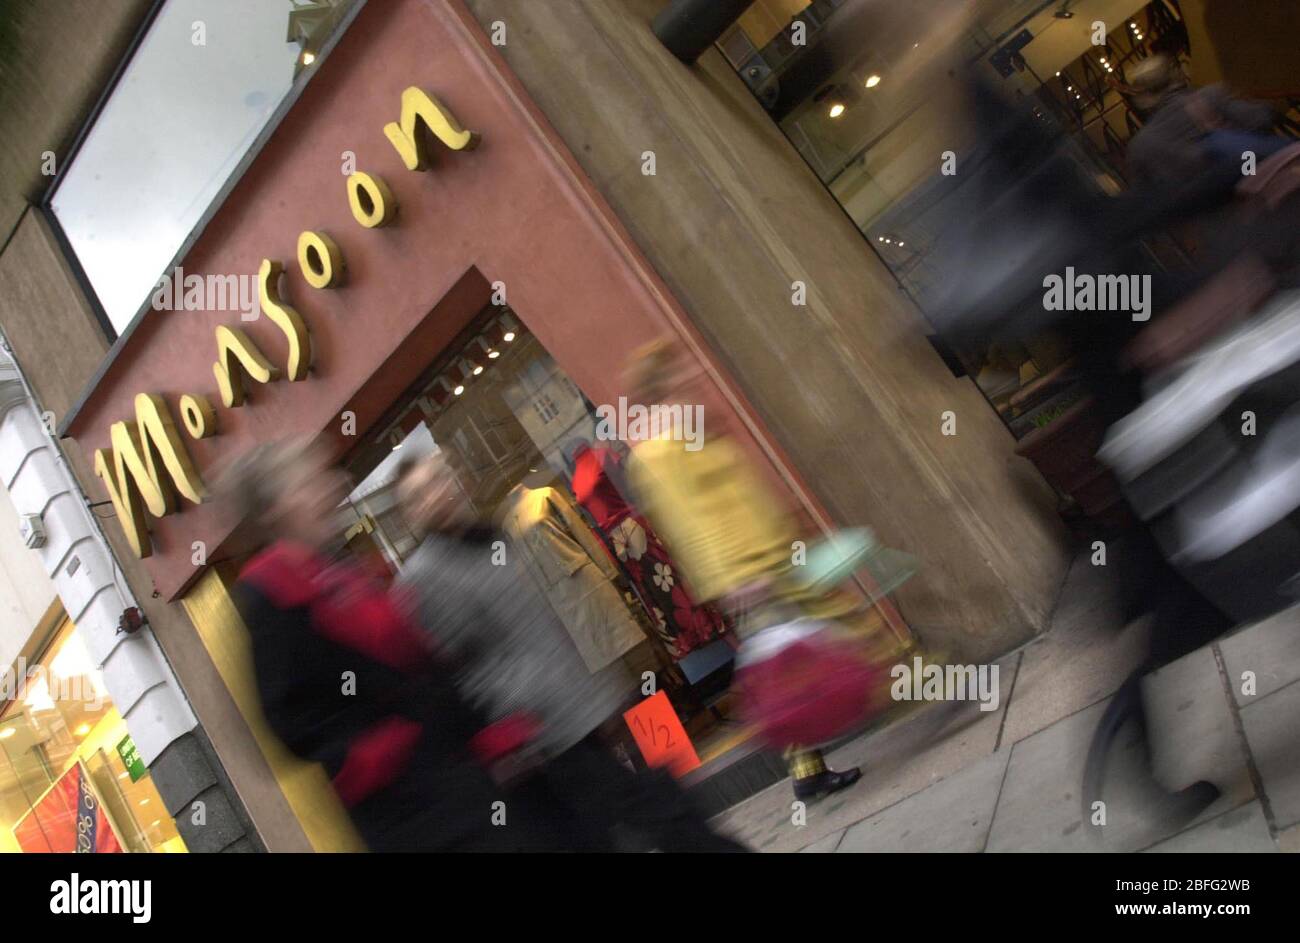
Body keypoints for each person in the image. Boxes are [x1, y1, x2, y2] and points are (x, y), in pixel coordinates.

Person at [222, 439, 569, 852]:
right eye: (310, 482)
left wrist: (486, 733)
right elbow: (289, 718)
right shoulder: (273, 593)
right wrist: (376, 748)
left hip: (456, 776)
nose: (333, 488)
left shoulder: (336, 569)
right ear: (278, 507)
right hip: (414, 812)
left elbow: (422, 670)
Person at [394, 450, 748, 852]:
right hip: (538, 731)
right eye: (421, 494)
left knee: (629, 808)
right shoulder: (426, 576)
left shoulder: (498, 528)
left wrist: (591, 687)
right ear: (411, 514)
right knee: (645, 809)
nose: (437, 495)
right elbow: (452, 674)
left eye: (440, 479)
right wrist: (519, 714)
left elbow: (535, 618)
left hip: (578, 683)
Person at [624, 338, 887, 801]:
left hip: (775, 554)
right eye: (678, 372)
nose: (690, 376)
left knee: (814, 642)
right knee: (796, 661)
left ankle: (811, 766)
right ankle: (901, 689)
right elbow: (690, 523)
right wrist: (734, 577)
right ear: (658, 386)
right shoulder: (657, 451)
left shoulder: (692, 429)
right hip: (751, 572)